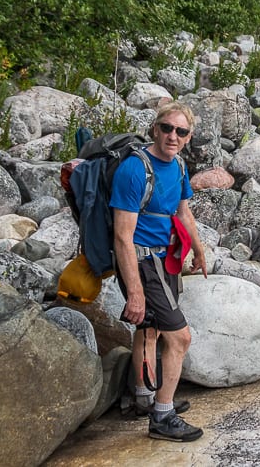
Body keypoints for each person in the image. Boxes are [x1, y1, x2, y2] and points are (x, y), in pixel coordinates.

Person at [110, 101, 207, 442]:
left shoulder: (178, 166)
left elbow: (183, 212)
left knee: (149, 330)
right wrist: (135, 292)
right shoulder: (135, 170)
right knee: (180, 337)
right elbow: (122, 237)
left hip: (165, 258)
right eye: (167, 128)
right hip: (141, 261)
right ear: (155, 129)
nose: (172, 136)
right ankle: (162, 417)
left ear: (188, 136)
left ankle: (144, 398)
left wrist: (198, 248)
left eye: (181, 131)